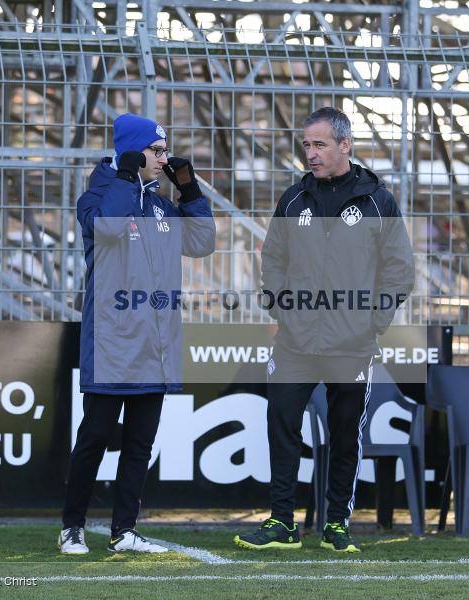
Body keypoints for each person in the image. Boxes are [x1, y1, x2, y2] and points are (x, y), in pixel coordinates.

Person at [234, 107, 413, 553]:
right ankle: (282, 522)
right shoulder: (295, 200)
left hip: (352, 345)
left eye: (319, 145)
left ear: (344, 145)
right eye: (306, 146)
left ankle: (337, 523)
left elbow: (399, 268)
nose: (310, 154)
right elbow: (272, 257)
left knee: (344, 432)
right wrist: (281, 307)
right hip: (295, 340)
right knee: (282, 424)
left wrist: (374, 320)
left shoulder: (377, 201)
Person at [58, 113, 216, 554]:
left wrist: (188, 189)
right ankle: (72, 526)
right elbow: (107, 226)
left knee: (140, 444)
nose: (164, 159)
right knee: (94, 437)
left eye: (166, 151)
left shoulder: (163, 205)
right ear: (132, 152)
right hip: (111, 344)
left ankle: (123, 531)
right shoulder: (97, 196)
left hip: (155, 345)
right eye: (157, 151)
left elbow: (202, 242)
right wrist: (125, 176)